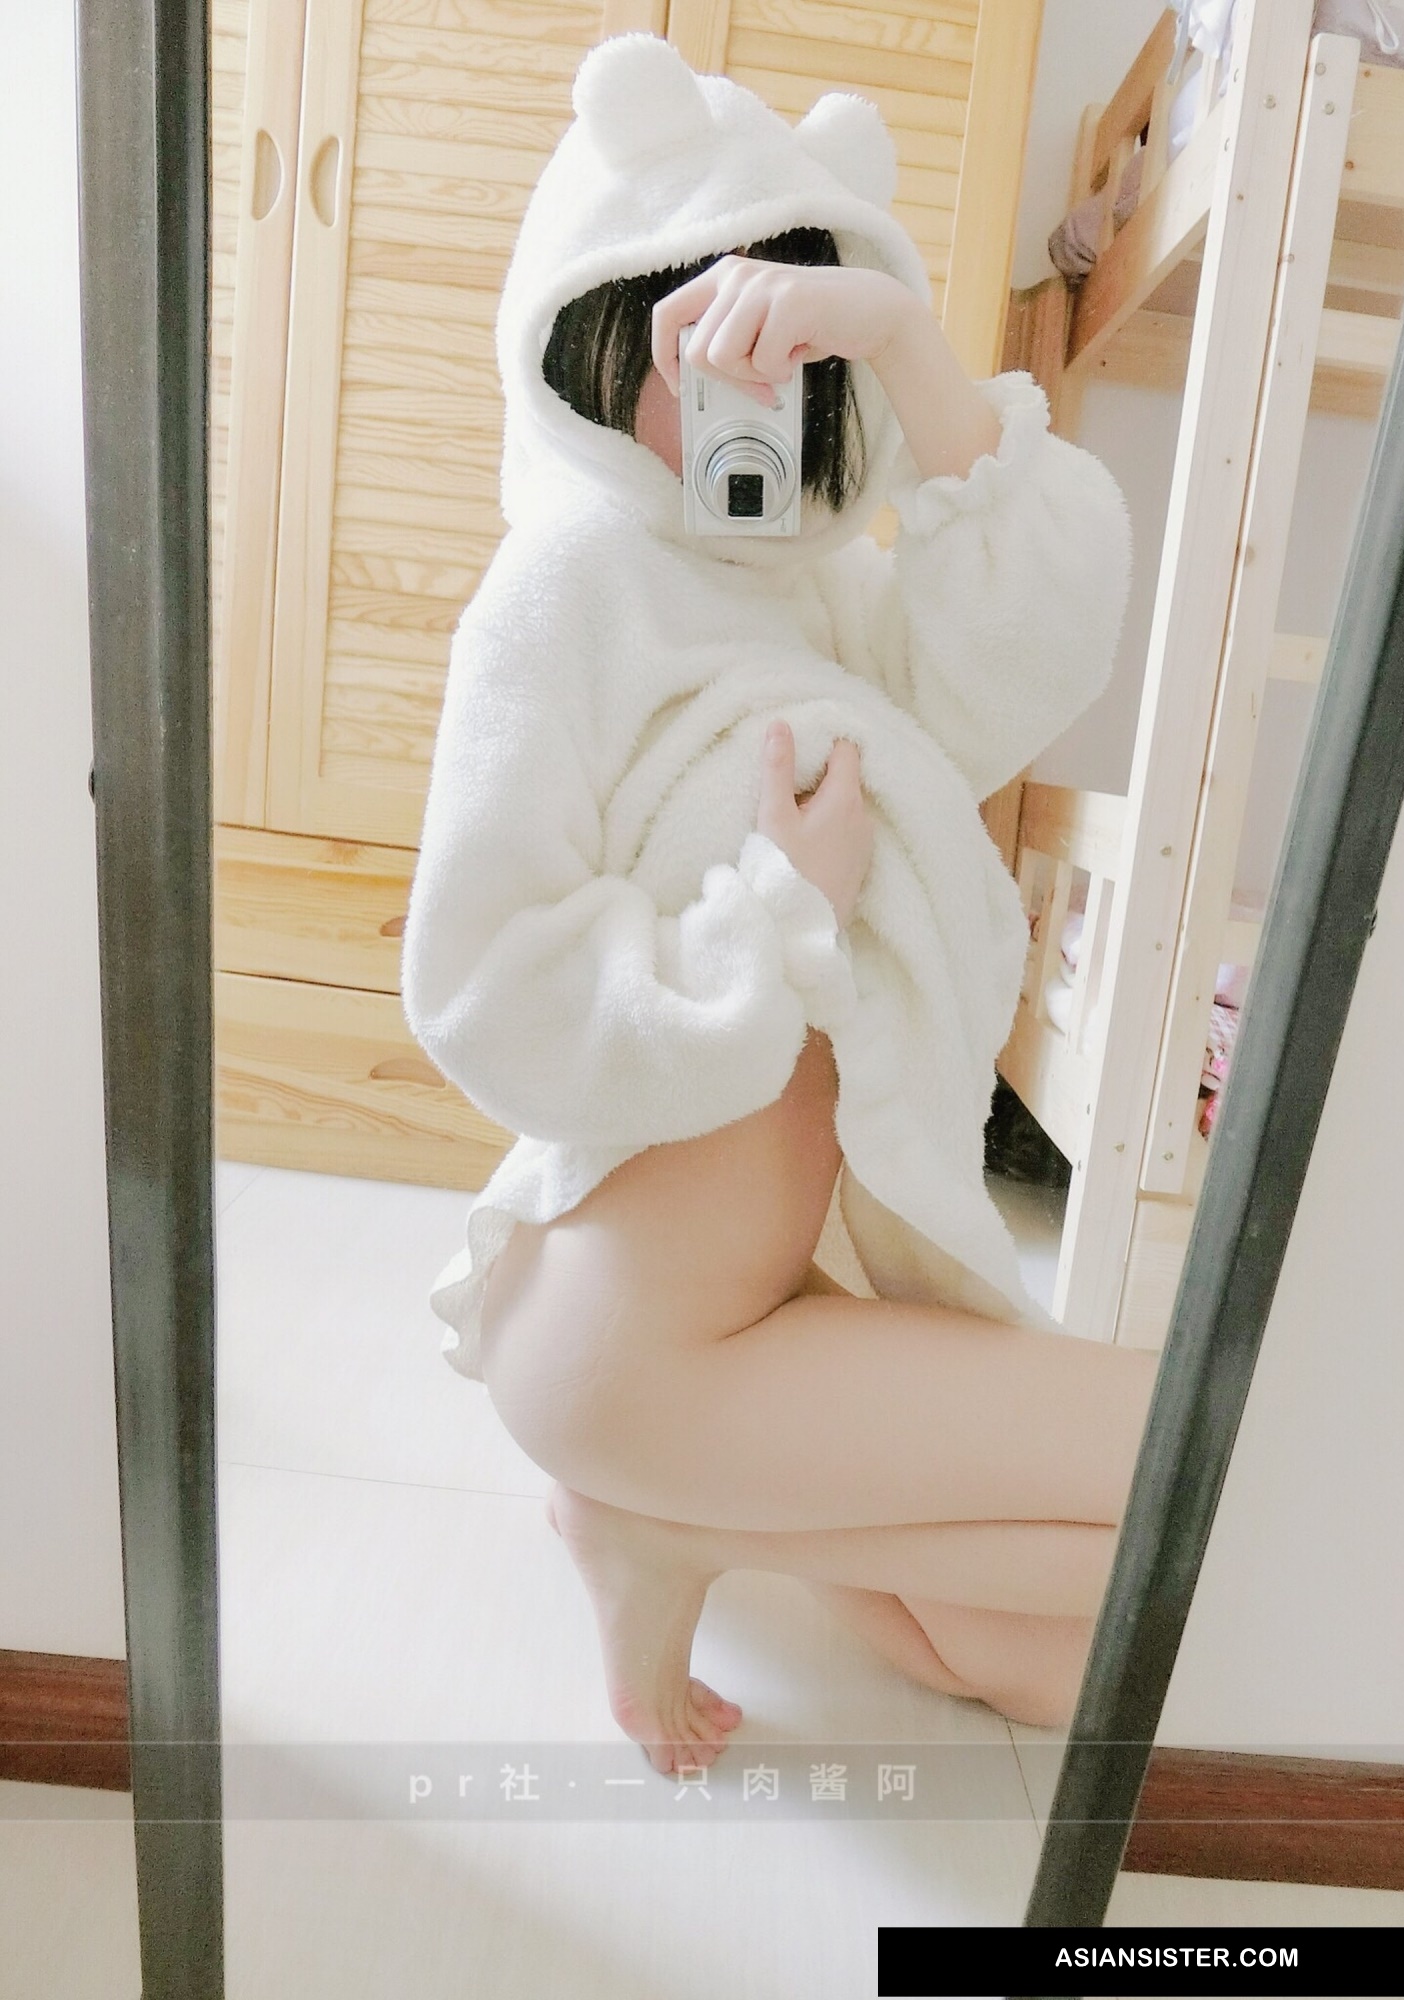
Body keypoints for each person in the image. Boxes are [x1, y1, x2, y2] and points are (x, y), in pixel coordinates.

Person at [400, 35, 1155, 1777]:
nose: (746, 396)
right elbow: (480, 976)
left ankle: (666, 1521)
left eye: (790, 361)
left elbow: (1025, 640)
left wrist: (898, 336)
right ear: (593, 345)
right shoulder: (561, 587)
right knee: (1193, 1473)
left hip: (756, 1316)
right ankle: (654, 1504)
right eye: (695, 346)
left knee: (1044, 1662)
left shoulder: (818, 603)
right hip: (631, 1337)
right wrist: (770, 914)